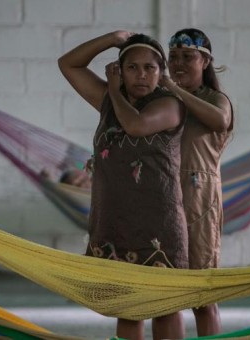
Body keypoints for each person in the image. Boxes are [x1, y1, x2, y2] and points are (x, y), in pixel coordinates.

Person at [58, 31, 188, 340]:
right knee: (127, 306)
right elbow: (68, 65)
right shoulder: (107, 101)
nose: (141, 75)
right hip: (114, 220)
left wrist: (114, 91)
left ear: (161, 72)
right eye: (132, 67)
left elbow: (136, 125)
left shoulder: (171, 104)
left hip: (159, 222)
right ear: (119, 69)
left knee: (164, 306)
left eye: (150, 68)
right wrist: (112, 38)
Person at [160, 28, 234, 336]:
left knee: (202, 294)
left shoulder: (215, 99)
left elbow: (220, 120)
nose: (177, 63)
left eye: (187, 57)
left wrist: (173, 90)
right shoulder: (163, 101)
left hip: (200, 203)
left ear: (205, 62)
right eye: (173, 57)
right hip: (162, 200)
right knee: (164, 293)